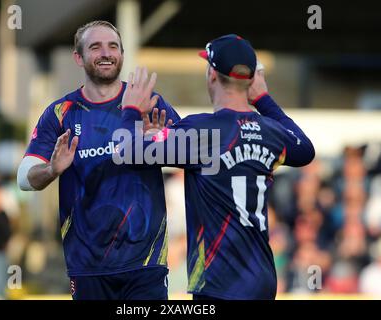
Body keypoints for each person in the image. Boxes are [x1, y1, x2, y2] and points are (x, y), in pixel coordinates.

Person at [117, 34, 315, 299]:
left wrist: (130, 109)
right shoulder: (270, 131)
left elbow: (125, 151)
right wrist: (264, 99)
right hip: (262, 280)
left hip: (219, 282)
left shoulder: (202, 130)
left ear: (212, 74)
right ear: (251, 80)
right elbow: (305, 150)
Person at [16, 20, 180, 300]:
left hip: (146, 262)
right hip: (88, 265)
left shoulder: (148, 102)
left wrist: (159, 143)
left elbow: (191, 157)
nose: (106, 53)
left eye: (113, 46)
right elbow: (24, 178)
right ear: (78, 57)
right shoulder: (61, 112)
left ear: (122, 54)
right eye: (96, 47)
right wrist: (52, 169)